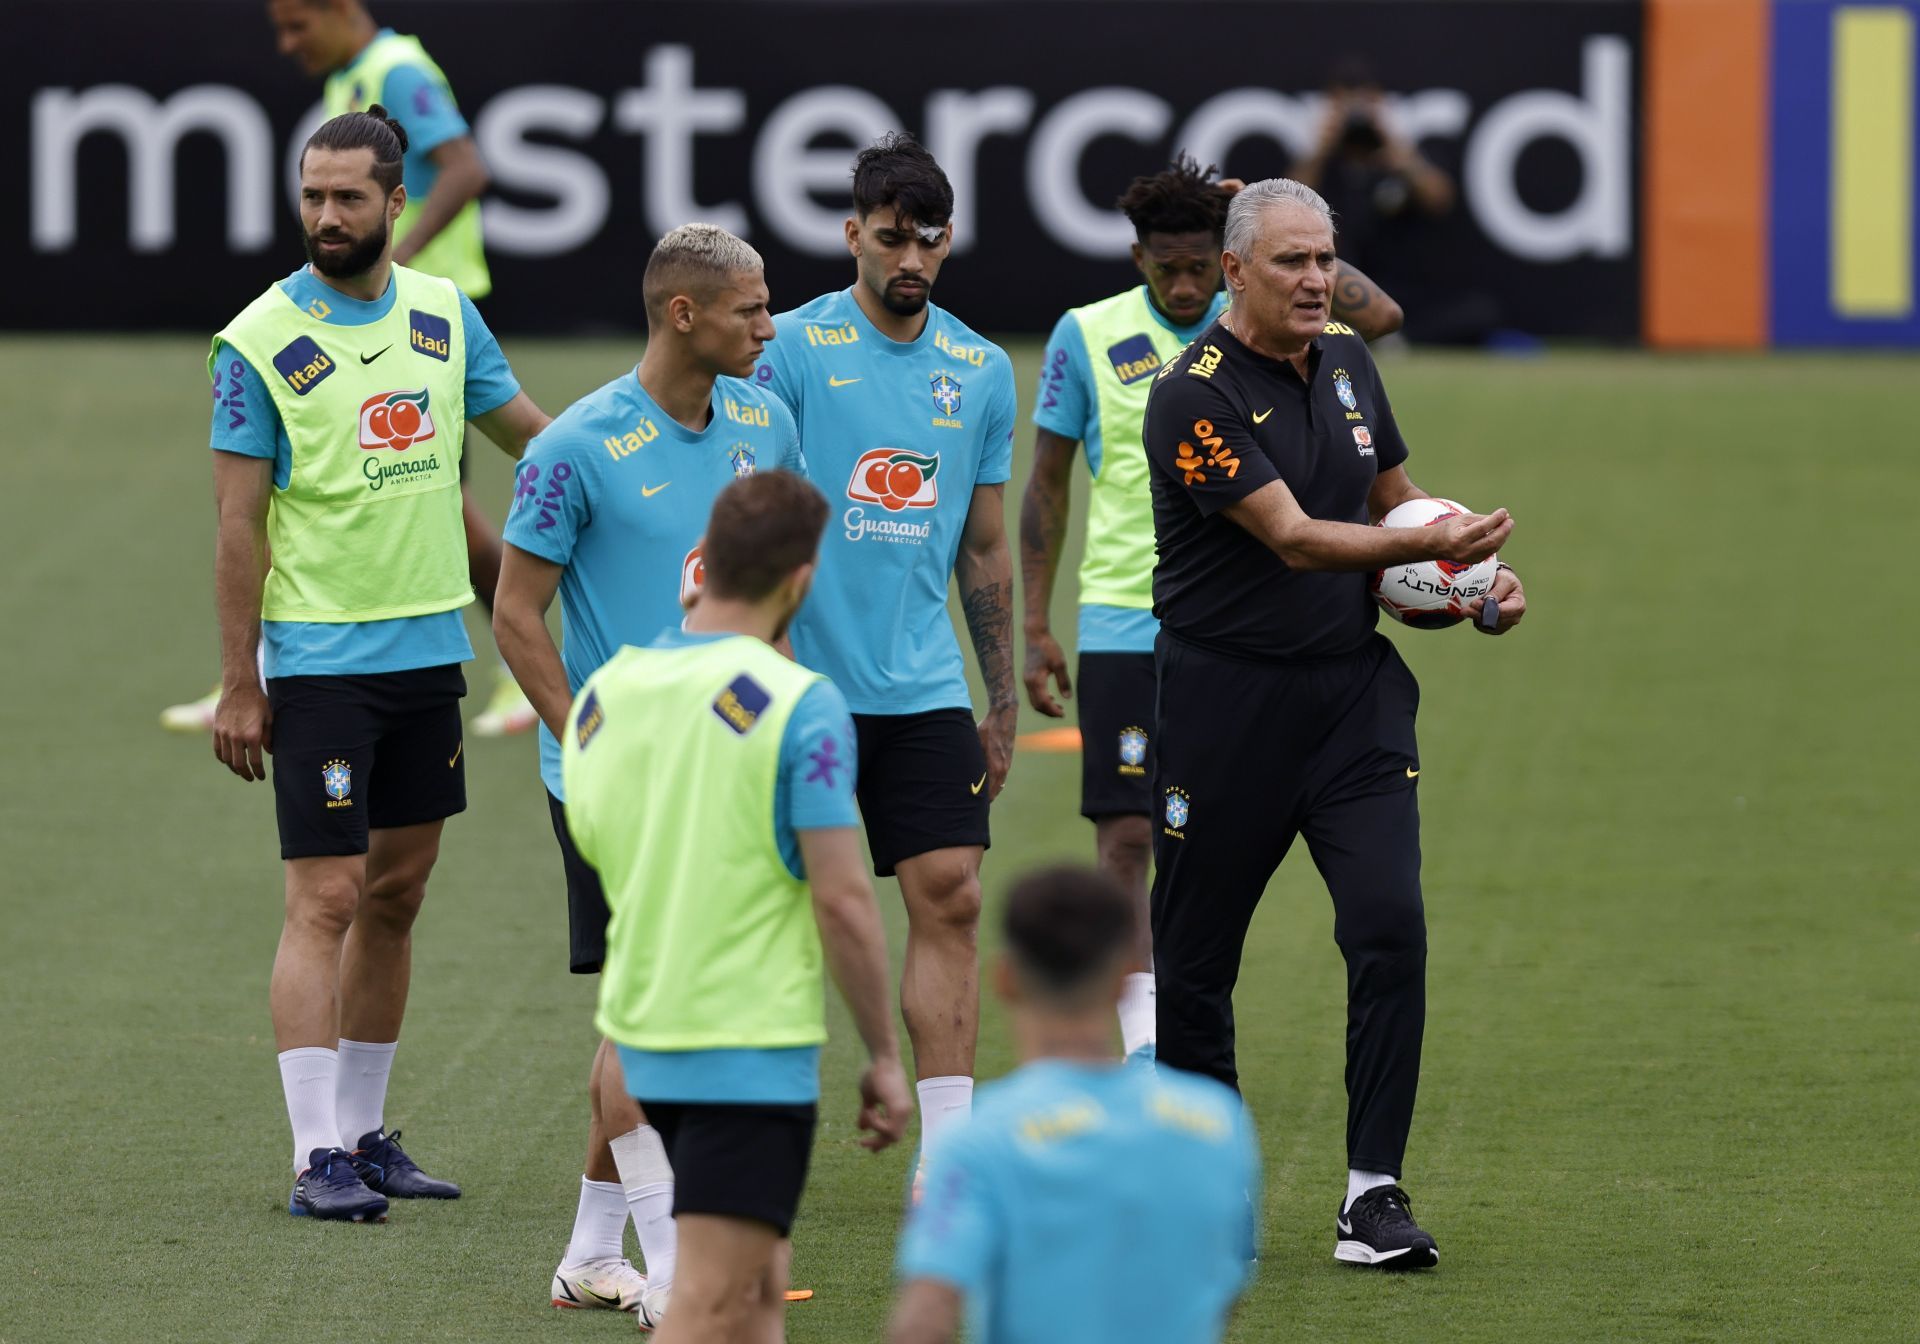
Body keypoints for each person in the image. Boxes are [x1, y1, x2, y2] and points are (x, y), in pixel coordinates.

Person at [1141, 178, 1526, 1268]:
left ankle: (1373, 1196)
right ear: (1234, 272)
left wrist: (1476, 583)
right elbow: (1301, 539)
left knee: (1389, 926)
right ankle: (1205, 1190)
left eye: (1325, 260)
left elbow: (1392, 503)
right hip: (1226, 707)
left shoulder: (1351, 364)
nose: (1317, 281)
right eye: (1292, 263)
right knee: (1197, 962)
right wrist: (1428, 552)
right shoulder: (1192, 395)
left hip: (1352, 701)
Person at [208, 108, 549, 1221]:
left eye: (349, 197)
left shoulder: (449, 320)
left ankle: (363, 1133)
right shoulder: (256, 343)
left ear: (398, 206)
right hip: (317, 665)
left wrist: (652, 457)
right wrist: (242, 679)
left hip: (427, 653)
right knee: (327, 898)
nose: (326, 216)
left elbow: (534, 444)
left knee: (397, 895)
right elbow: (236, 528)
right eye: (312, 195)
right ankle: (315, 1158)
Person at [1020, 154, 1404, 1063]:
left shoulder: (1278, 326)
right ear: (1138, 258)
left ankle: (1176, 1024)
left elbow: (1381, 318)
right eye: (1168, 267)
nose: (1185, 283)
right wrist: (1037, 623)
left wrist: (1265, 226)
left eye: (1204, 262)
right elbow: (1045, 486)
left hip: (1250, 626)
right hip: (1123, 613)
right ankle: (1144, 1034)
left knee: (1201, 848)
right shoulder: (1088, 335)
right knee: (1123, 833)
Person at [492, 223, 803, 1324]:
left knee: (663, 1006)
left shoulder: (765, 419)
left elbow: (781, 590)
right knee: (656, 1016)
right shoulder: (574, 448)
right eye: (751, 311)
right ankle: (673, 1267)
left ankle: (591, 1252)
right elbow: (515, 613)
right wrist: (586, 734)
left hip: (730, 766)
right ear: (684, 314)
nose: (771, 329)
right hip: (617, 780)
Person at [562, 472, 912, 1344]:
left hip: (641, 1037)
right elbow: (841, 896)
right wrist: (882, 1052)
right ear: (800, 578)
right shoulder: (802, 703)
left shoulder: (602, 695)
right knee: (706, 1305)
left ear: (702, 566)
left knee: (757, 1298)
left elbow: (599, 845)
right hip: (746, 1048)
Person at [754, 133, 1018, 1186]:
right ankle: (727, 1143)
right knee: (769, 917)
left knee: (951, 893)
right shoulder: (789, 350)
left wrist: (999, 696)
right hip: (795, 687)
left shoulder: (980, 369)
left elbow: (985, 544)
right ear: (852, 233)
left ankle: (948, 1152)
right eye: (893, 238)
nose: (911, 259)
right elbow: (742, 502)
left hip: (920, 689)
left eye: (930, 241)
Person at [166, 0, 532, 735]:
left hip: (420, 333)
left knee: (435, 509)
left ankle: (522, 660)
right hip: (377, 322)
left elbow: (464, 168)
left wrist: (400, 264)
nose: (287, 43)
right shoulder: (354, 77)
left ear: (339, 9)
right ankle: (266, 663)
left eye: (297, 24)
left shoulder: (395, 70)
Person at [888, 866, 1259, 1344]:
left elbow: (926, 1317)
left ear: (1006, 979)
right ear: (1125, 980)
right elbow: (1219, 1291)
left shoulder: (974, 1142)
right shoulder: (1217, 1124)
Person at [1292, 60, 1494, 346]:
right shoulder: (1323, 167)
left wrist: (1395, 148)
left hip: (1405, 292)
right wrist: (1318, 150)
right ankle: (1372, 335)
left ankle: (1394, 338)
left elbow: (1439, 198)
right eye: (1344, 106)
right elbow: (1287, 207)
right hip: (1340, 289)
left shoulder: (1401, 158)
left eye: (1364, 105)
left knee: (1476, 312)